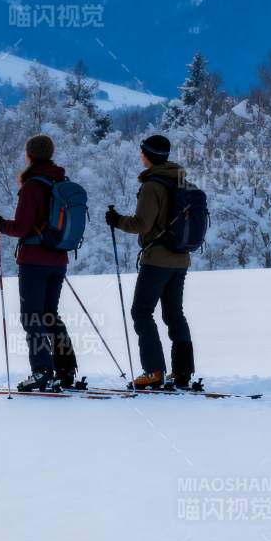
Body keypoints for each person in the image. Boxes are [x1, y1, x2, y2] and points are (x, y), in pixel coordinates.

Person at [105, 134, 195, 389]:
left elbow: (141, 224)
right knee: (174, 314)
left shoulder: (152, 185)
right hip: (181, 259)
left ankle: (154, 371)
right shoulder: (181, 182)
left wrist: (117, 220)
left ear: (148, 155)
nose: (140, 155)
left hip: (157, 259)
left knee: (141, 312)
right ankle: (182, 372)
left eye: (142, 151)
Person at [0, 134, 79, 392]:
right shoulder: (61, 181)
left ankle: (42, 371)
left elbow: (21, 227)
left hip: (34, 260)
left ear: (29, 155)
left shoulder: (32, 186)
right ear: (50, 154)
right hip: (59, 258)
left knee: (32, 317)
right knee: (50, 315)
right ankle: (65, 370)